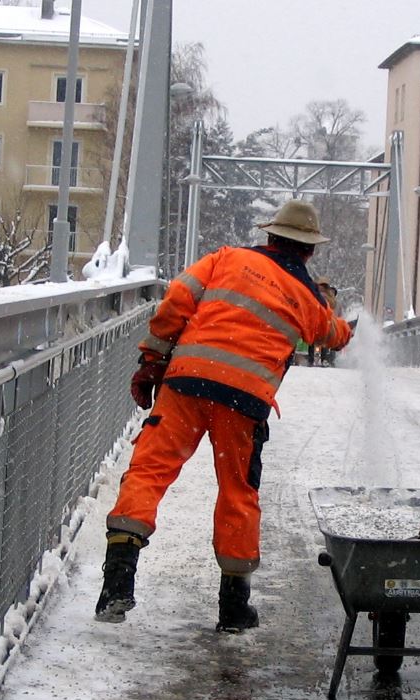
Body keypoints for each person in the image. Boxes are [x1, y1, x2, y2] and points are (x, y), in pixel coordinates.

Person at [95, 199, 354, 632]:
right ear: (309, 251)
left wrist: (151, 361)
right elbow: (328, 333)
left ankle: (117, 583)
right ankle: (234, 608)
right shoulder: (308, 297)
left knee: (148, 472)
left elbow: (177, 300)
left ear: (269, 236)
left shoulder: (225, 259)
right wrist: (341, 320)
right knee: (238, 493)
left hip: (187, 383)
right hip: (245, 403)